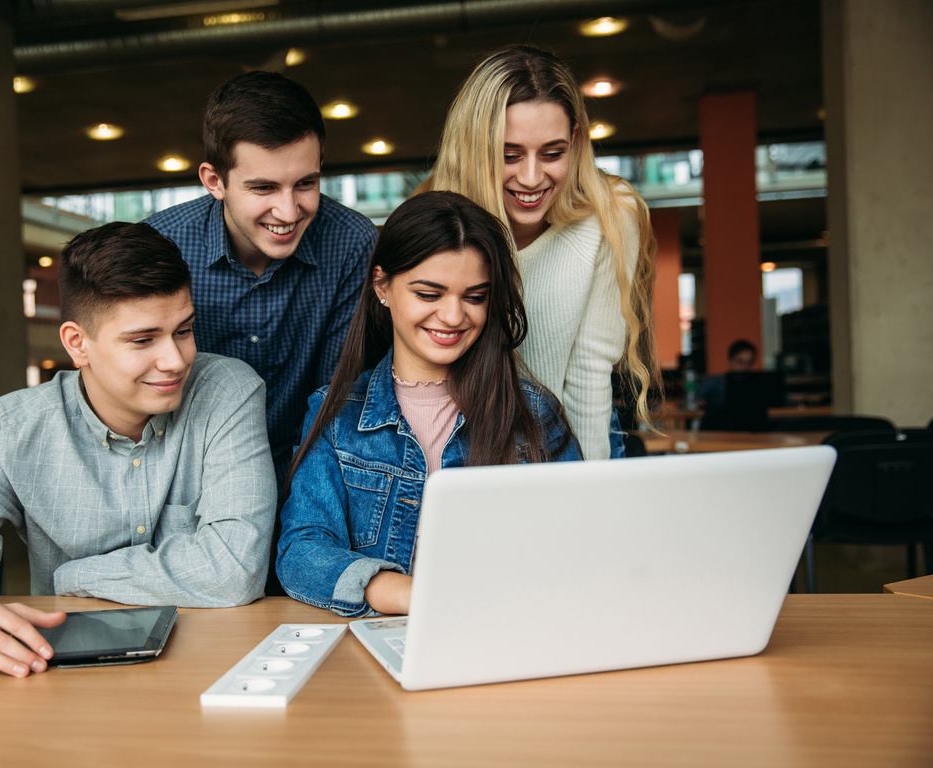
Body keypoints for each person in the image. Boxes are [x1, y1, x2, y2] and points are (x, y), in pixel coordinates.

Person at [0, 222, 276, 684]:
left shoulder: (227, 391)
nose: (176, 360)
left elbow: (234, 570)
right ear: (77, 344)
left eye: (184, 330)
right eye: (143, 340)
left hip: (210, 663)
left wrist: (74, 575)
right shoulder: (13, 428)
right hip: (62, 677)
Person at [276, 191, 581, 618]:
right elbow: (301, 552)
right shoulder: (335, 413)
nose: (454, 316)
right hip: (386, 639)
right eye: (429, 293)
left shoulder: (534, 414)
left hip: (511, 631)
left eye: (474, 297)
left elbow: (579, 547)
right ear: (382, 286)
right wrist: (408, 594)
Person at [418, 44, 659, 460]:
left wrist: (584, 497)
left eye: (553, 153)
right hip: (467, 444)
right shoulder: (442, 218)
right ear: (476, 148)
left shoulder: (611, 214)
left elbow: (589, 378)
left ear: (576, 142)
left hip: (578, 442)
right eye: (509, 155)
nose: (531, 178)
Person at [143, 70, 379, 479]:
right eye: (264, 188)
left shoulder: (353, 243)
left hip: (308, 472)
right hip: (184, 477)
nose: (289, 212)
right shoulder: (159, 244)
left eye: (305, 183)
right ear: (214, 181)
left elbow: (337, 399)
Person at [696, 339, 758, 409]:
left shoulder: (757, 384)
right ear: (730, 361)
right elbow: (690, 402)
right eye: (740, 362)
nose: (745, 367)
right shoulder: (716, 382)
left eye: (749, 362)